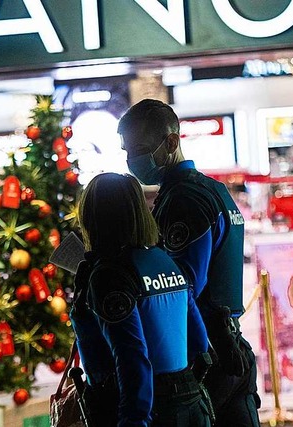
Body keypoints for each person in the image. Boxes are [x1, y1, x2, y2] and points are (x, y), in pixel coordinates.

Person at [118, 99, 260, 427]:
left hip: (204, 351)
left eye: (138, 148)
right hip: (228, 345)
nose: (131, 159)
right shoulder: (212, 190)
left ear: (171, 142)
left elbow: (182, 285)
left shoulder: (184, 200)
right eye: (126, 150)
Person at [71, 172, 211, 426]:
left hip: (141, 409)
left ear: (92, 218)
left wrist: (133, 419)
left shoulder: (109, 275)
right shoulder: (166, 262)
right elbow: (200, 343)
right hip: (191, 401)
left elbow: (131, 358)